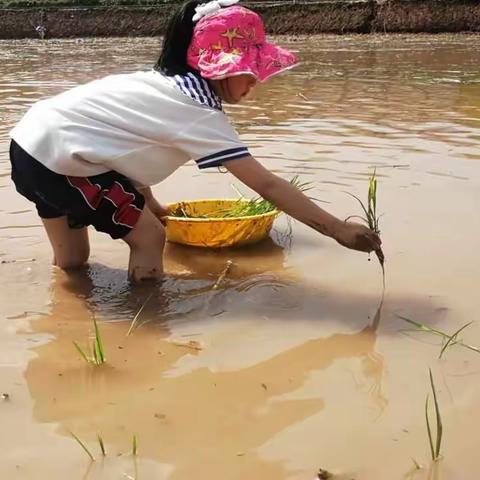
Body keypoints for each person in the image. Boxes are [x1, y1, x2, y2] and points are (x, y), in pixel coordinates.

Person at [9, 0, 381, 282]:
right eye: (247, 70)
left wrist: (150, 201)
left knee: (73, 264)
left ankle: (61, 317)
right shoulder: (198, 110)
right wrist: (337, 229)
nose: (256, 80)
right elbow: (266, 183)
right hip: (62, 163)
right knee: (150, 238)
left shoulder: (162, 85)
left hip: (29, 146)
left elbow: (125, 146)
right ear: (217, 65)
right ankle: (147, 319)